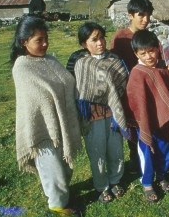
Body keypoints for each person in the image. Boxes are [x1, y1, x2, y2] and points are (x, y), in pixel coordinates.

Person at [10, 15, 81, 215]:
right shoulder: (22, 67)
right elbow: (38, 97)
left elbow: (67, 81)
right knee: (53, 171)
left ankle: (63, 195)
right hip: (42, 128)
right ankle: (57, 207)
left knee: (64, 167)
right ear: (24, 42)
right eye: (38, 40)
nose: (45, 44)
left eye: (46, 38)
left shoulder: (50, 59)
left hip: (61, 122)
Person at [71, 22, 129, 203]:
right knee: (97, 153)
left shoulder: (115, 60)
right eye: (94, 40)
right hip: (93, 117)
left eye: (102, 38)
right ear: (83, 44)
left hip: (113, 115)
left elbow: (122, 86)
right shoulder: (81, 64)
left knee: (116, 151)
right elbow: (80, 92)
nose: (100, 43)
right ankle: (102, 186)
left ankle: (115, 180)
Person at [124, 30, 169, 202]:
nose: (148, 56)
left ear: (158, 48)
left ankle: (161, 176)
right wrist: (141, 121)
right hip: (145, 124)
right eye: (143, 53)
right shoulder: (137, 73)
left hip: (164, 123)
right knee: (146, 153)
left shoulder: (163, 68)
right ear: (136, 54)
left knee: (165, 150)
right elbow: (135, 100)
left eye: (151, 51)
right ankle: (147, 183)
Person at [109, 0, 155, 175]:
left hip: (148, 88)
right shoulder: (120, 37)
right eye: (141, 15)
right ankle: (136, 162)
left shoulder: (149, 36)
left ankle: (151, 157)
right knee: (133, 126)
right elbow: (115, 64)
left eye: (148, 15)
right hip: (128, 90)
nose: (145, 20)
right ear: (130, 15)